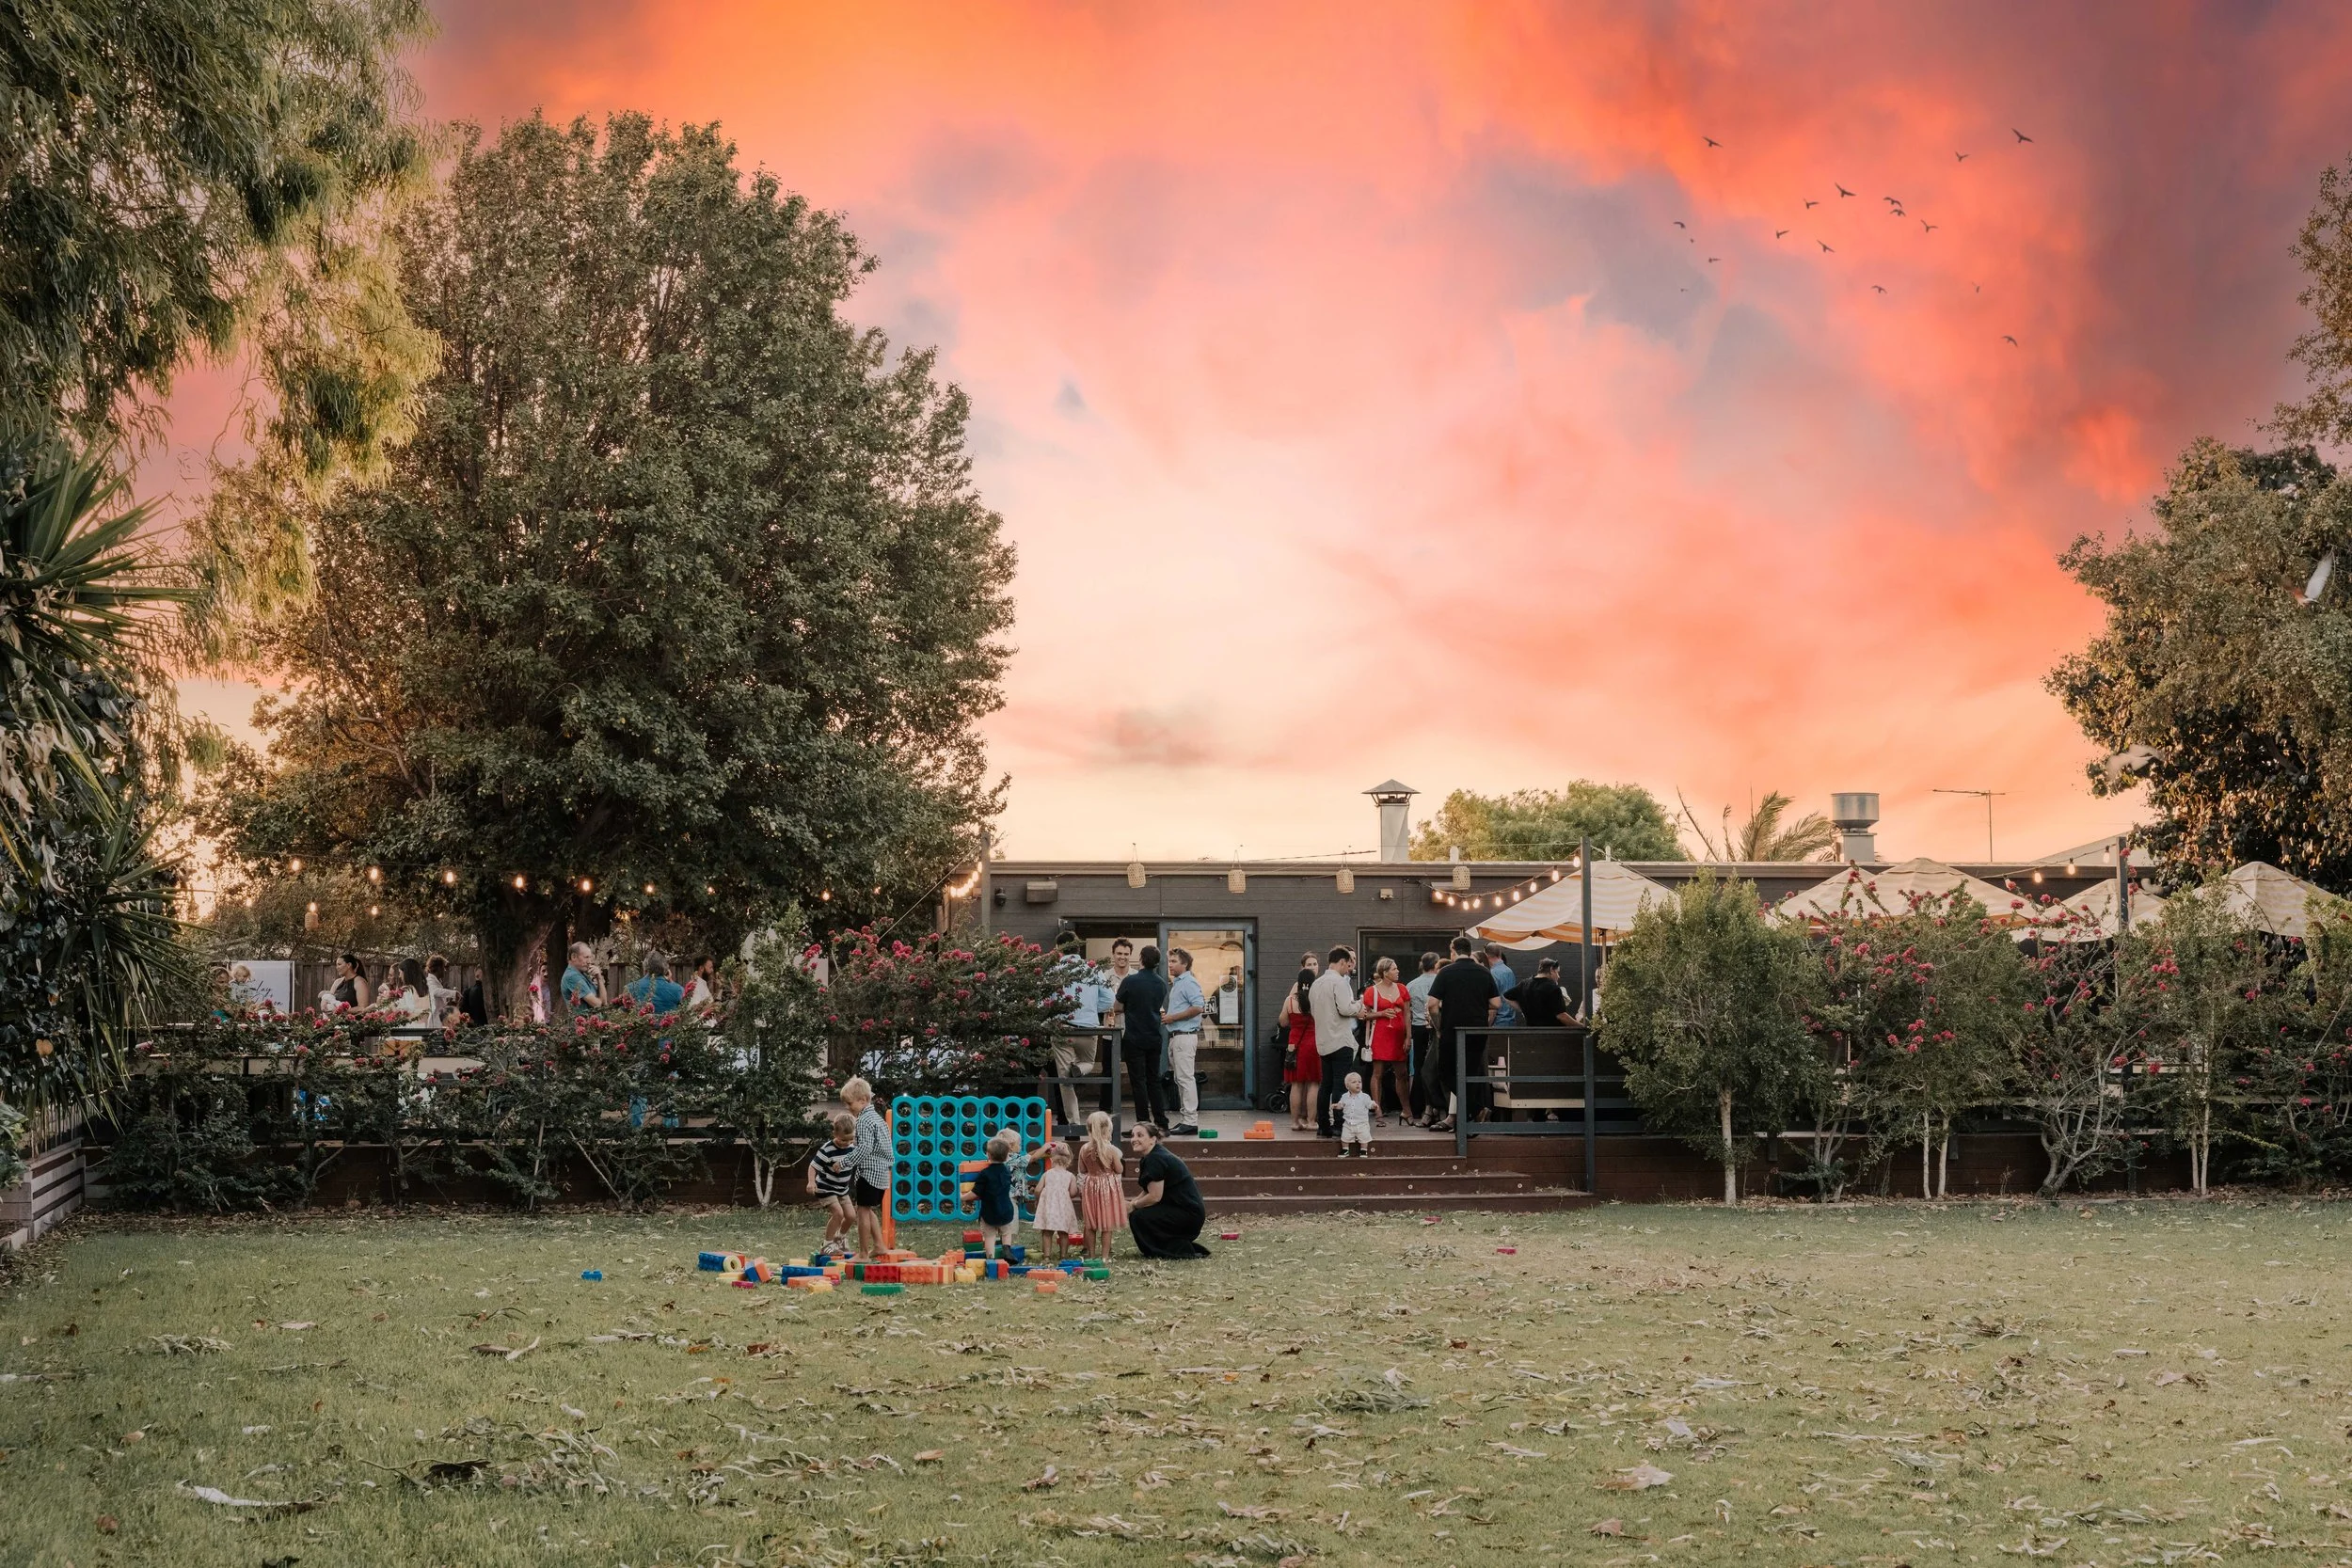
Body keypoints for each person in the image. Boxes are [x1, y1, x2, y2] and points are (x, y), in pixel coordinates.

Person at [1423, 937, 1501, 1132]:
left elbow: (1432, 1004)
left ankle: (1475, 1110)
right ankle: (1473, 1116)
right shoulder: (1484, 972)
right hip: (1477, 1030)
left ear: (1453, 950)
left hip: (1452, 1030)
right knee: (1472, 1073)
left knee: (1445, 1072)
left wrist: (1438, 1026)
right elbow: (1496, 1004)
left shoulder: (1446, 972)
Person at [1125, 1122, 1210, 1259]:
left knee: (1138, 1217)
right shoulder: (1152, 1156)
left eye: (1140, 1135)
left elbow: (1154, 1197)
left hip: (1188, 1215)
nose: (1134, 1139)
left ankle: (1158, 1251)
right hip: (1183, 1211)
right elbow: (1148, 1190)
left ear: (1153, 1139)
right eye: (1133, 1135)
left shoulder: (1155, 1158)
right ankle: (1172, 1247)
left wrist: (1133, 1206)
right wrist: (1132, 1203)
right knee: (1138, 1213)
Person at [1049, 933, 1109, 1124]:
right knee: (1089, 1063)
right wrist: (1091, 1008)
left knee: (1064, 1080)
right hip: (1089, 1028)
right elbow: (1110, 999)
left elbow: (1045, 1001)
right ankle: (1080, 1069)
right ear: (1078, 948)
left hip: (1062, 1029)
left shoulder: (1054, 970)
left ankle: (1074, 1123)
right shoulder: (1093, 969)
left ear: (1059, 948)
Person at [1309, 946, 1364, 1139]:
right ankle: (1339, 1124)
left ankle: (1323, 1125)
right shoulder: (1339, 982)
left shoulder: (1316, 984)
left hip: (1323, 1041)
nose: (1348, 969)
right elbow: (1346, 1009)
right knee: (1340, 1085)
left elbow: (1313, 1011)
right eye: (1347, 965)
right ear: (1341, 962)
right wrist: (1360, 1004)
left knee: (1326, 1085)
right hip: (1341, 1040)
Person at [1115, 944, 1171, 1130]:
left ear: (1140, 959)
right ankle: (1161, 1122)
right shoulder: (1161, 983)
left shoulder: (1130, 981)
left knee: (1138, 1082)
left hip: (1134, 1037)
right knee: (1153, 1079)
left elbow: (1117, 1007)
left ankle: (1143, 1123)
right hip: (1155, 1037)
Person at [843, 1076, 892, 1259]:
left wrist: (845, 1162)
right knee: (868, 1208)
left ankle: (863, 1253)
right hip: (882, 1174)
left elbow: (864, 1148)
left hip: (869, 1174)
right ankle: (879, 1245)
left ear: (863, 1100)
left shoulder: (863, 1121)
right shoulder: (878, 1119)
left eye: (850, 1104)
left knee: (862, 1211)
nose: (848, 1108)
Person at [1161, 947, 1206, 1136]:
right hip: (1177, 1035)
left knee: (1185, 1078)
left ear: (1184, 963)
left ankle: (1190, 1120)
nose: (1170, 965)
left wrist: (1173, 1018)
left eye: (1174, 961)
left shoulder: (1188, 982)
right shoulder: (1179, 983)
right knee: (1181, 1078)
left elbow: (1198, 1007)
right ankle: (1186, 1119)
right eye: (1169, 961)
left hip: (1184, 1035)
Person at [1360, 957, 1412, 1120]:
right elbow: (1363, 1015)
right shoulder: (1372, 991)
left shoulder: (1402, 989)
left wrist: (1408, 1037)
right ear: (1385, 973)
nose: (1398, 972)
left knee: (1402, 1073)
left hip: (1398, 1036)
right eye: (1394, 969)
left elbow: (1407, 1014)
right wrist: (1381, 1013)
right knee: (1378, 1073)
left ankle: (1406, 1109)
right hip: (1380, 1035)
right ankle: (1378, 1110)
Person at [805, 1111, 859, 1258]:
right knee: (838, 1213)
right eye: (843, 1140)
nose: (847, 1143)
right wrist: (811, 1182)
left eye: (850, 1140)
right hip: (825, 1187)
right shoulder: (827, 1149)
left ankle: (839, 1238)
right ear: (834, 1134)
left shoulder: (853, 1147)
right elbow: (813, 1166)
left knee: (851, 1216)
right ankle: (827, 1244)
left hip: (842, 1189)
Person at [1077, 1111, 1127, 1260]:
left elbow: (1082, 1169)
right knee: (1107, 1225)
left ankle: (1091, 1255)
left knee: (1091, 1224)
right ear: (1107, 1130)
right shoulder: (1111, 1150)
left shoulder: (1084, 1149)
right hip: (1107, 1188)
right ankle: (1104, 1257)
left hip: (1091, 1186)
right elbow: (1119, 1169)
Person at [1279, 961, 1322, 1132]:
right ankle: (1311, 1121)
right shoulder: (1316, 1000)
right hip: (1313, 1043)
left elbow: (1282, 1022)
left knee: (1296, 1084)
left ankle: (1295, 1122)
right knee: (1313, 1083)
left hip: (1294, 1044)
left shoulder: (1290, 1000)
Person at [971, 1132, 1019, 1259]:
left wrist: (962, 1197)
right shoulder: (1007, 1171)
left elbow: (976, 1192)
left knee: (990, 1236)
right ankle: (1007, 1249)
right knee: (1006, 1231)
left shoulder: (985, 1173)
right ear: (1006, 1156)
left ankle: (991, 1258)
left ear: (988, 1154)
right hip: (1006, 1209)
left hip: (989, 1211)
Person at [1406, 952, 1441, 1124]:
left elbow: (1408, 1009)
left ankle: (1417, 1105)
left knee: (1418, 1065)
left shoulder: (1411, 985)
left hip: (1417, 1027)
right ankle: (1436, 1105)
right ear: (1436, 965)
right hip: (1435, 1027)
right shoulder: (1439, 981)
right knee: (1435, 1066)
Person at [1031, 1141, 1081, 1260]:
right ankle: (1063, 1255)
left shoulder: (1047, 1174)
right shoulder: (1070, 1176)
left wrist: (1038, 1199)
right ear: (1068, 1161)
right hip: (1063, 1209)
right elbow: (1073, 1193)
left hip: (1048, 1208)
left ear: (1052, 1160)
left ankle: (1047, 1256)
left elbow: (1037, 1190)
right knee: (1063, 1233)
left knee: (1047, 1232)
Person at [1506, 958, 1572, 1028]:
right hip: (1552, 1033)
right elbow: (1562, 1016)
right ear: (1551, 970)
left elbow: (1506, 996)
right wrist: (1581, 1027)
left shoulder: (1524, 984)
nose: (1558, 976)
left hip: (1532, 1032)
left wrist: (1523, 1010)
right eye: (1557, 972)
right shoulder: (1553, 988)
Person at [1333, 1070, 1378, 1158]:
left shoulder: (1365, 1097)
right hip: (1348, 1122)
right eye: (1354, 1082)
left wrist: (1374, 1106)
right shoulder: (1344, 1096)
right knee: (1345, 1137)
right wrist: (1337, 1106)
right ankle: (1345, 1150)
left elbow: (1369, 1104)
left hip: (1362, 1123)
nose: (1357, 1084)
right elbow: (1341, 1104)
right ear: (1347, 1086)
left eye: (1359, 1082)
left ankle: (1364, 1150)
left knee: (1364, 1137)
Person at [560, 942, 605, 1013]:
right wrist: (600, 1002)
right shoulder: (572, 976)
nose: (589, 962)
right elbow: (597, 1004)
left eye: (590, 958)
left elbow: (604, 1002)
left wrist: (599, 978)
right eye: (586, 957)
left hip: (593, 1023)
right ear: (574, 957)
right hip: (583, 1023)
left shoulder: (583, 975)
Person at [1485, 946, 1520, 1027]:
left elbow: (1493, 1005)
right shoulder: (1509, 971)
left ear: (1486, 956)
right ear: (1499, 954)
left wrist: (1487, 1027)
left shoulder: (1492, 973)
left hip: (1497, 1022)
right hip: (1511, 1021)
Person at [424, 955, 458, 1028]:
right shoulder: (430, 981)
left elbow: (439, 1003)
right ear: (439, 968)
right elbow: (435, 992)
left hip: (439, 1021)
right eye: (443, 967)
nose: (445, 970)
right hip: (434, 1022)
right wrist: (453, 993)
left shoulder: (436, 982)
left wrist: (448, 1004)